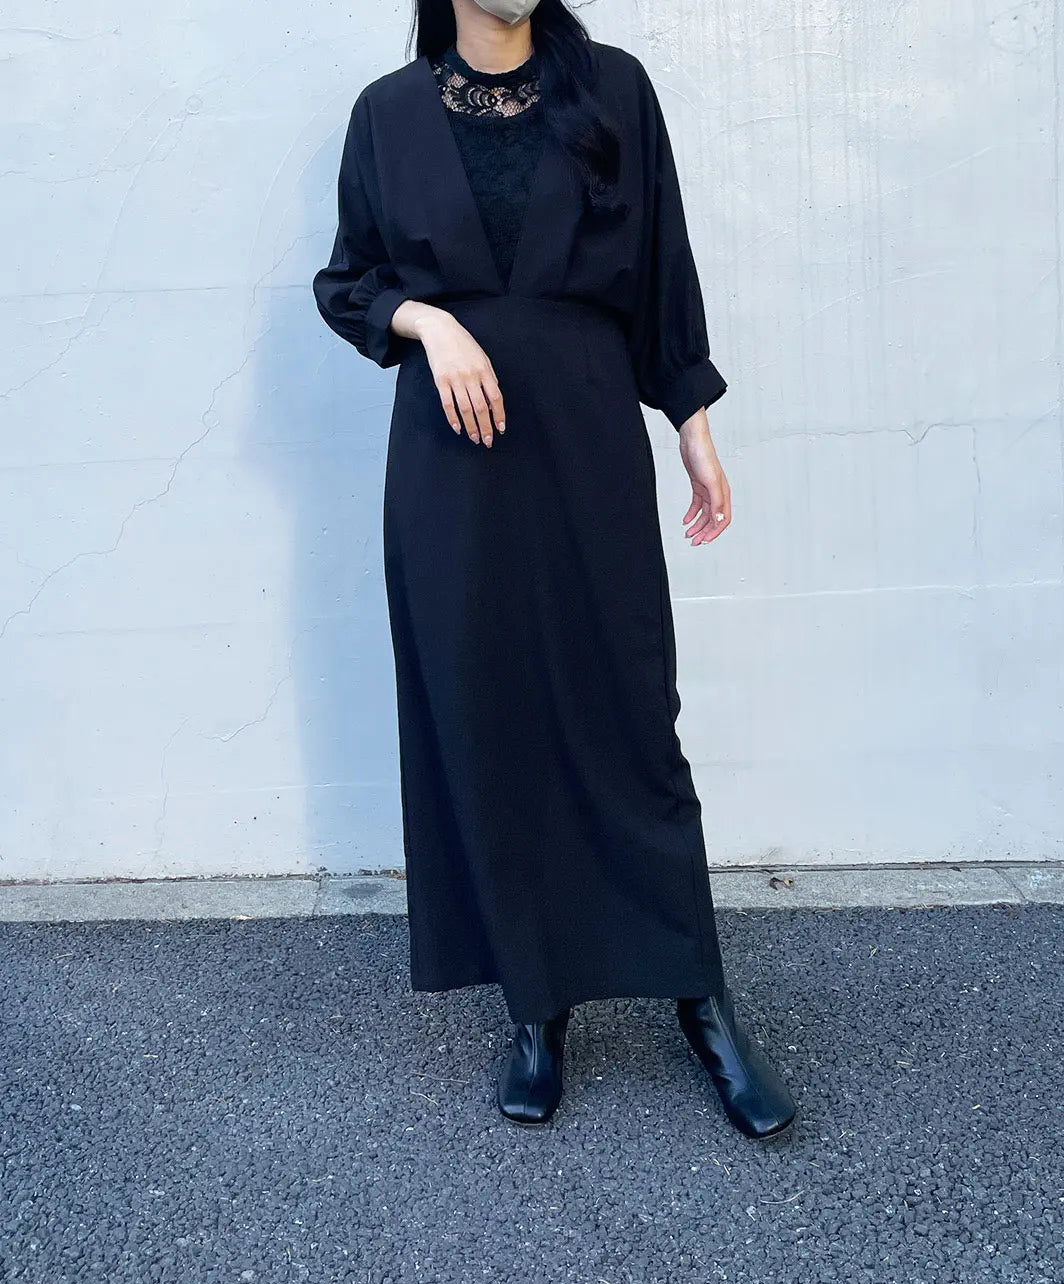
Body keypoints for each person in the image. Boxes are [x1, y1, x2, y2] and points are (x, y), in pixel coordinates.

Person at [312, 0, 797, 1140]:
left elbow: (662, 267)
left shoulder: (611, 87)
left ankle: (703, 1003)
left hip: (585, 437)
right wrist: (428, 322)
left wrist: (693, 424)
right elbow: (348, 281)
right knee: (493, 721)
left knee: (631, 716)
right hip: (452, 462)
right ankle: (536, 1009)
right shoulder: (388, 114)